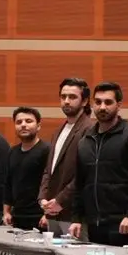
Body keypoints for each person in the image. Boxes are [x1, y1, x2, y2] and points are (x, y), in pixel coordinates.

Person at [70, 82, 128, 247]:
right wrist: (76, 218)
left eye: (108, 102)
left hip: (125, 225)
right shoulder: (86, 140)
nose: (102, 107)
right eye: (98, 102)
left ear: (119, 105)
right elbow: (80, 184)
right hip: (94, 225)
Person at [39, 78, 93, 235]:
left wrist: (60, 201)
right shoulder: (58, 131)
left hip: (74, 214)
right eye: (63, 97)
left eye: (72, 97)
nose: (66, 101)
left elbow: (85, 174)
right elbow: (49, 170)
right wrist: (43, 198)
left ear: (84, 101)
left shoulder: (90, 129)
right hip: (52, 210)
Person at [3, 106, 49, 231]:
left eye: (28, 121)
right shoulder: (12, 151)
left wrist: (47, 214)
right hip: (16, 216)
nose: (23, 125)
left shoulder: (47, 150)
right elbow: (8, 184)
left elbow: (51, 184)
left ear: (38, 126)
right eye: (19, 122)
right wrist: (6, 211)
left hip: (39, 217)